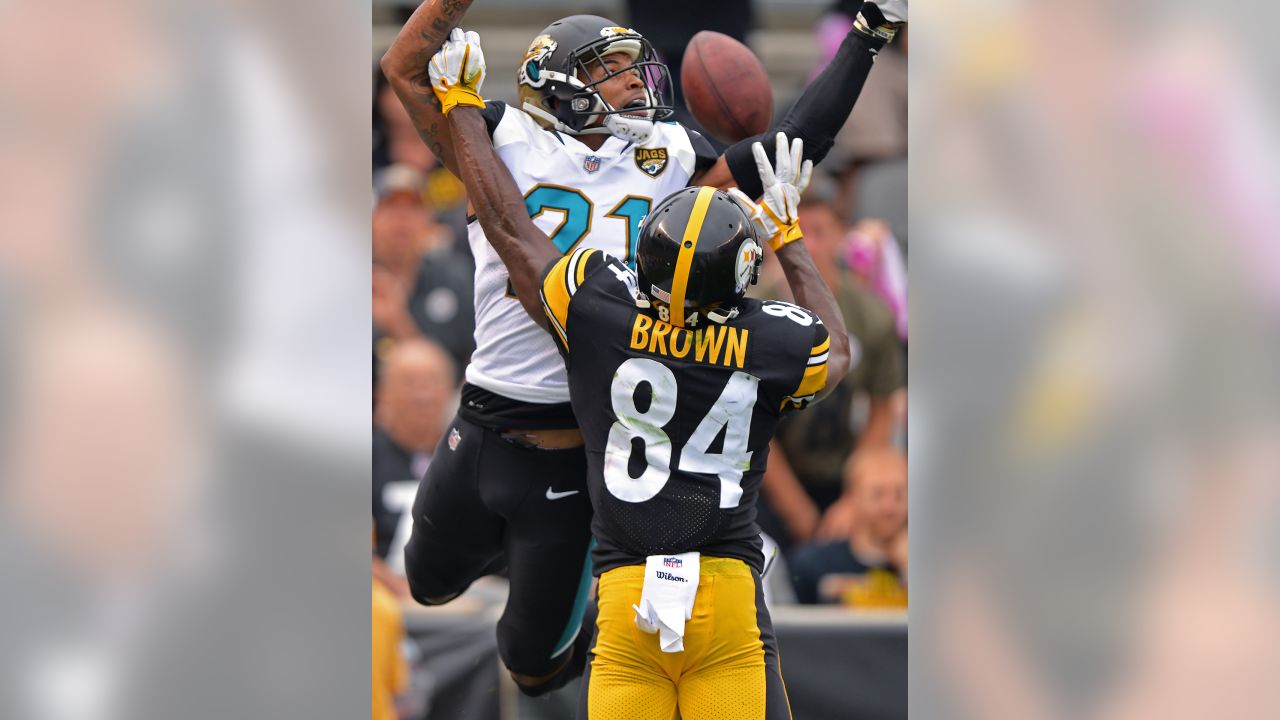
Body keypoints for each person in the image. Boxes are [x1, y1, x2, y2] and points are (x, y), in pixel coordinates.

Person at [380, 0, 905, 696]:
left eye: (634, 67)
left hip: (583, 436)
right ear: (554, 83)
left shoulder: (670, 154)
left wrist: (866, 34)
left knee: (534, 669)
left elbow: (791, 149)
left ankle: (591, 623)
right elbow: (405, 66)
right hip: (485, 415)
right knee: (428, 582)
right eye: (611, 69)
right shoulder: (501, 133)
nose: (634, 83)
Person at [788, 448, 908, 607]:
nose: (889, 507)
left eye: (899, 494)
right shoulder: (812, 563)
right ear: (851, 498)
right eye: (877, 494)